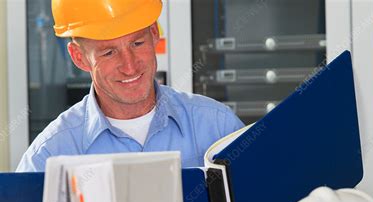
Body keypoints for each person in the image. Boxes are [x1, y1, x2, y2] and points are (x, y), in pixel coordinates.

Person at [16, 0, 244, 172]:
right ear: (79, 57)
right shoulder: (48, 156)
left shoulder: (218, 127)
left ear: (154, 33)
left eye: (137, 43)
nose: (129, 66)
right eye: (109, 52)